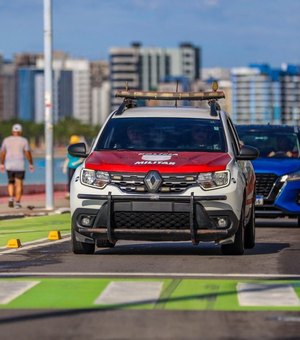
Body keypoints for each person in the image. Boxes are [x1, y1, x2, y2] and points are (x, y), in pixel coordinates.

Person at [0, 123, 34, 208]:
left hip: (9, 165)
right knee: (19, 184)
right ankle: (17, 203)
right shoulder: (24, 140)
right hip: (19, 165)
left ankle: (11, 198)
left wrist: (2, 163)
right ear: (20, 132)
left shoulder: (6, 140)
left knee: (10, 182)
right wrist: (30, 163)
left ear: (12, 131)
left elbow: (3, 152)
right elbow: (27, 153)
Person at [63, 135, 84, 199]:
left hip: (77, 167)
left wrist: (76, 163)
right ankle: (69, 192)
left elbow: (82, 159)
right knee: (69, 180)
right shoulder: (69, 149)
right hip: (70, 167)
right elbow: (67, 158)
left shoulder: (80, 149)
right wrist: (64, 166)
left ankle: (77, 192)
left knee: (77, 180)